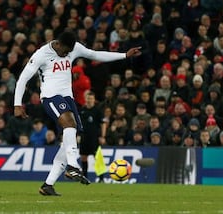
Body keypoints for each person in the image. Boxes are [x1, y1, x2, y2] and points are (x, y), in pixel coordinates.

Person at [14, 31, 141, 196]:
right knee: (70, 125)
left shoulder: (73, 47)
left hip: (68, 98)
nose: (67, 54)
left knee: (68, 142)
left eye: (70, 51)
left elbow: (95, 54)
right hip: (50, 97)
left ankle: (48, 185)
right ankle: (73, 166)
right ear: (58, 44)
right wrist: (17, 104)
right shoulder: (41, 54)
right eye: (65, 51)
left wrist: (124, 55)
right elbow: (23, 78)